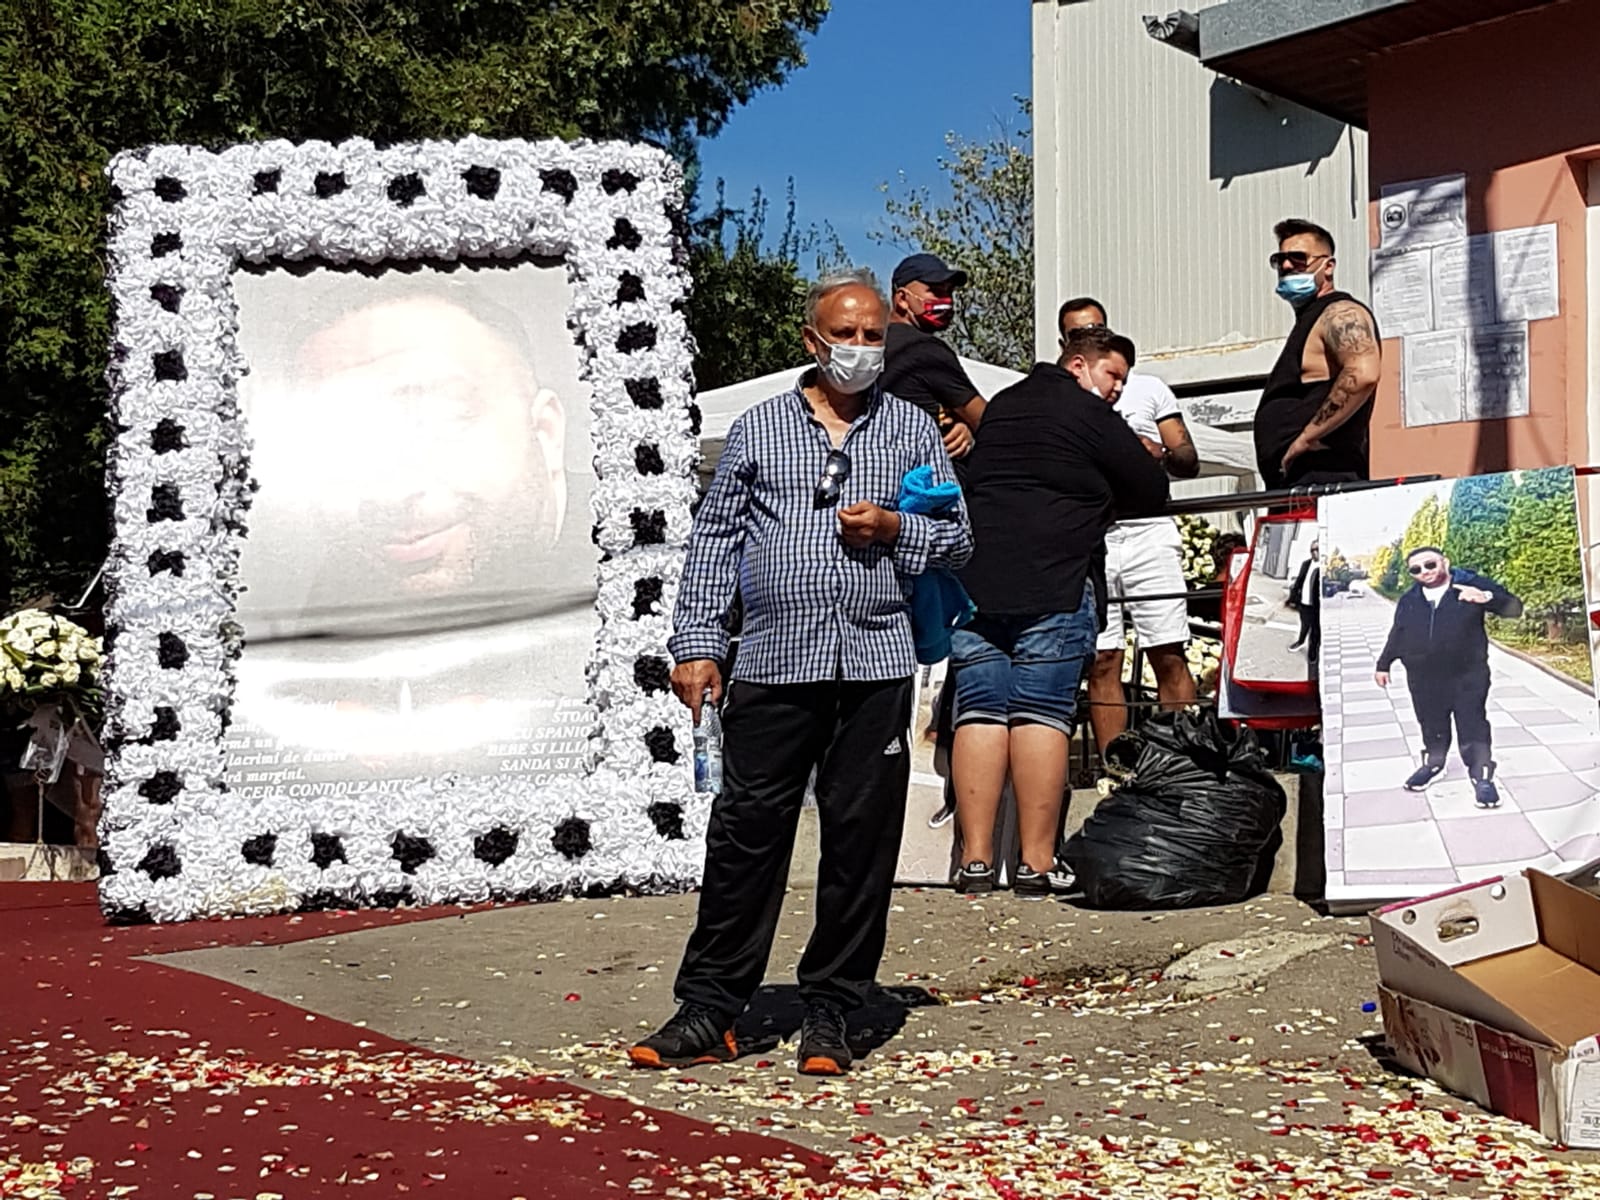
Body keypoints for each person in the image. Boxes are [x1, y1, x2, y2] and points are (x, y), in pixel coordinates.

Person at [632, 268, 972, 1075]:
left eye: (872, 336)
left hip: (875, 660)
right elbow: (715, 541)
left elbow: (959, 539)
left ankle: (835, 1007)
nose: (859, 348)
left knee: (860, 840)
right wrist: (697, 643)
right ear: (811, 340)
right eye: (844, 334)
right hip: (774, 662)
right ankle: (710, 1007)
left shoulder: (910, 430)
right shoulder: (759, 429)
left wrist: (894, 529)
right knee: (747, 833)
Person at [229, 266, 597, 788]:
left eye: (441, 419)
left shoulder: (648, 565)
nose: (389, 490)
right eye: (340, 441)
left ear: (545, 431)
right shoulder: (341, 580)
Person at [948, 326, 1169, 898]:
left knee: (980, 711)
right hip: (1056, 581)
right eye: (1112, 374)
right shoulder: (1089, 413)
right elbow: (1151, 490)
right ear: (1078, 366)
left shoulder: (1002, 406)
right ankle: (1036, 861)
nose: (1117, 389)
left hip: (975, 583)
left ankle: (975, 860)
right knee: (1041, 714)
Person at [1057, 297, 1200, 752]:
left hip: (1147, 532)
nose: (1092, 336)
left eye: (1098, 328)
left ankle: (1185, 763)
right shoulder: (1059, 398)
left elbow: (1188, 459)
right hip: (1094, 537)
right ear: (1066, 346)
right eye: (1079, 334)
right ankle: (1114, 769)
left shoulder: (1146, 387)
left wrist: (1155, 451)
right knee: (1102, 659)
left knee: (1168, 651)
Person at [1375, 547, 1524, 808]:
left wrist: (1486, 597)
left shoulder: (1470, 584)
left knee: (1472, 724)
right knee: (1431, 724)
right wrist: (1383, 663)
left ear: (1445, 562)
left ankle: (1482, 776)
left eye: (1430, 565)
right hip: (1423, 678)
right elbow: (1398, 631)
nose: (1425, 572)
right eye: (1416, 569)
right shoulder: (1410, 599)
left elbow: (1514, 608)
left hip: (1467, 675)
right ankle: (1434, 764)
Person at [1254, 219, 1383, 491]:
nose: (1286, 266)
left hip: (1322, 481)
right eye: (1279, 259)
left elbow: (1363, 374)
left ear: (1328, 266)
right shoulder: (1311, 320)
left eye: (1298, 259)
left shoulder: (1340, 312)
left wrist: (1306, 439)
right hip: (1294, 485)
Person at [882, 253, 986, 465]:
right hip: (931, 475)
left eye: (949, 292)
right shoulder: (925, 349)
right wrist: (969, 427)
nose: (947, 302)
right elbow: (987, 421)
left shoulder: (871, 345)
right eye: (935, 292)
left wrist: (962, 423)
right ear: (902, 299)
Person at [1289, 541, 1321, 659]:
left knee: (1315, 631)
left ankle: (1313, 652)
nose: (1314, 552)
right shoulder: (1306, 564)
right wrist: (1293, 598)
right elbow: (1299, 582)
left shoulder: (1324, 567)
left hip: (1316, 606)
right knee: (1304, 625)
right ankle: (1301, 641)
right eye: (1312, 550)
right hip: (1304, 603)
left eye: (1317, 549)